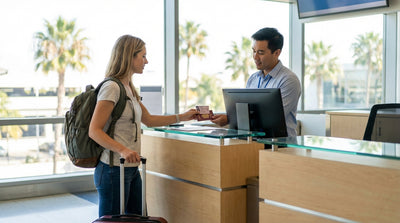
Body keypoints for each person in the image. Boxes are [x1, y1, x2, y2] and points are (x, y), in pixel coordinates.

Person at [88, 35, 198, 217]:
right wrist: (123, 150)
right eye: (143, 56)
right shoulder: (112, 88)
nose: (146, 61)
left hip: (131, 169)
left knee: (138, 218)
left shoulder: (129, 88)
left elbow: (149, 120)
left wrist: (184, 116)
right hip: (112, 169)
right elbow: (94, 130)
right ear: (129, 56)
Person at [212, 27, 301, 137]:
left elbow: (273, 118)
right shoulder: (253, 79)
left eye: (261, 52)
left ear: (277, 53)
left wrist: (230, 118)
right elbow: (248, 111)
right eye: (254, 51)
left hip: (280, 146)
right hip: (253, 143)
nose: (255, 57)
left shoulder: (288, 80)